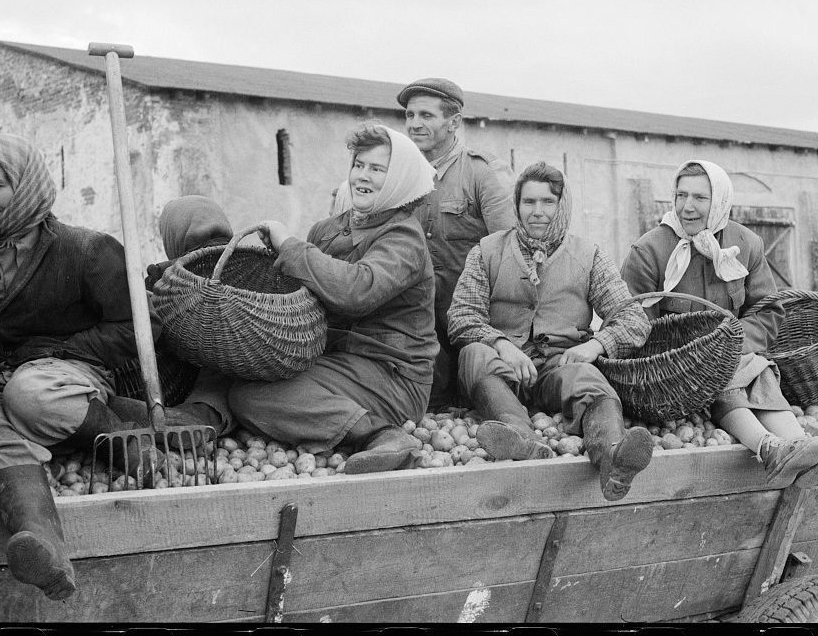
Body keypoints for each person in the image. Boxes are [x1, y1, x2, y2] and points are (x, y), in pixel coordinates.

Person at [0, 134, 158, 599]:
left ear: (24, 185)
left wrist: (62, 349)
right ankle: (44, 545)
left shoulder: (85, 250)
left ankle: (129, 445)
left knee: (28, 393)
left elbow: (140, 327)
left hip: (67, 375)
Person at [620, 159, 818, 488]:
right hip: (673, 371)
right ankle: (770, 446)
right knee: (728, 372)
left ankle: (800, 447)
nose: (687, 207)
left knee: (757, 368)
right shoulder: (650, 250)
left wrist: (733, 346)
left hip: (734, 354)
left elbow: (767, 310)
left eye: (700, 198)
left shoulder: (745, 244)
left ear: (720, 200)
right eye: (681, 195)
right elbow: (633, 323)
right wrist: (703, 356)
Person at [228, 123, 438, 475]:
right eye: (359, 165)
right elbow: (305, 290)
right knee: (243, 382)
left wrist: (291, 247)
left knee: (251, 398)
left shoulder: (404, 236)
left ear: (399, 178)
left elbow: (357, 290)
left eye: (377, 169)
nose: (362, 176)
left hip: (393, 373)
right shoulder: (328, 230)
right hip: (338, 363)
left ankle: (382, 436)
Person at [447, 162, 654, 501]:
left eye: (548, 202)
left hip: (559, 365)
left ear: (562, 206)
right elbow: (461, 316)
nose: (537, 212)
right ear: (517, 205)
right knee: (474, 354)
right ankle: (520, 437)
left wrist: (598, 344)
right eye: (529, 202)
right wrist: (500, 343)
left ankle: (613, 457)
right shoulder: (487, 251)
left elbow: (633, 319)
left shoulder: (588, 256)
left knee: (587, 377)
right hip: (503, 369)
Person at [397, 77, 516, 410]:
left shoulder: (483, 173)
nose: (414, 124)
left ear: (454, 122)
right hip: (419, 330)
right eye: (409, 116)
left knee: (481, 401)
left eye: (426, 115)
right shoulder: (401, 176)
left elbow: (510, 252)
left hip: (474, 327)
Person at [107, 195, 239, 440]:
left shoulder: (164, 276)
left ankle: (192, 417)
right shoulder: (247, 265)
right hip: (224, 383)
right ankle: (204, 416)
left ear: (174, 235)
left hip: (175, 379)